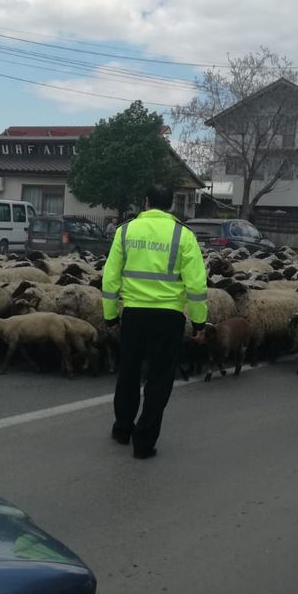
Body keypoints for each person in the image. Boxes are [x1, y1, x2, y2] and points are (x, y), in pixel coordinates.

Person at [102, 185, 208, 460]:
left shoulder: (125, 231)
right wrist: (200, 323)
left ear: (145, 202)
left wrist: (110, 314)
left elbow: (111, 276)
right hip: (168, 316)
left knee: (128, 373)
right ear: (171, 205)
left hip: (134, 313)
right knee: (159, 379)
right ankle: (144, 443)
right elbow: (196, 285)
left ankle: (122, 429)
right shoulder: (183, 235)